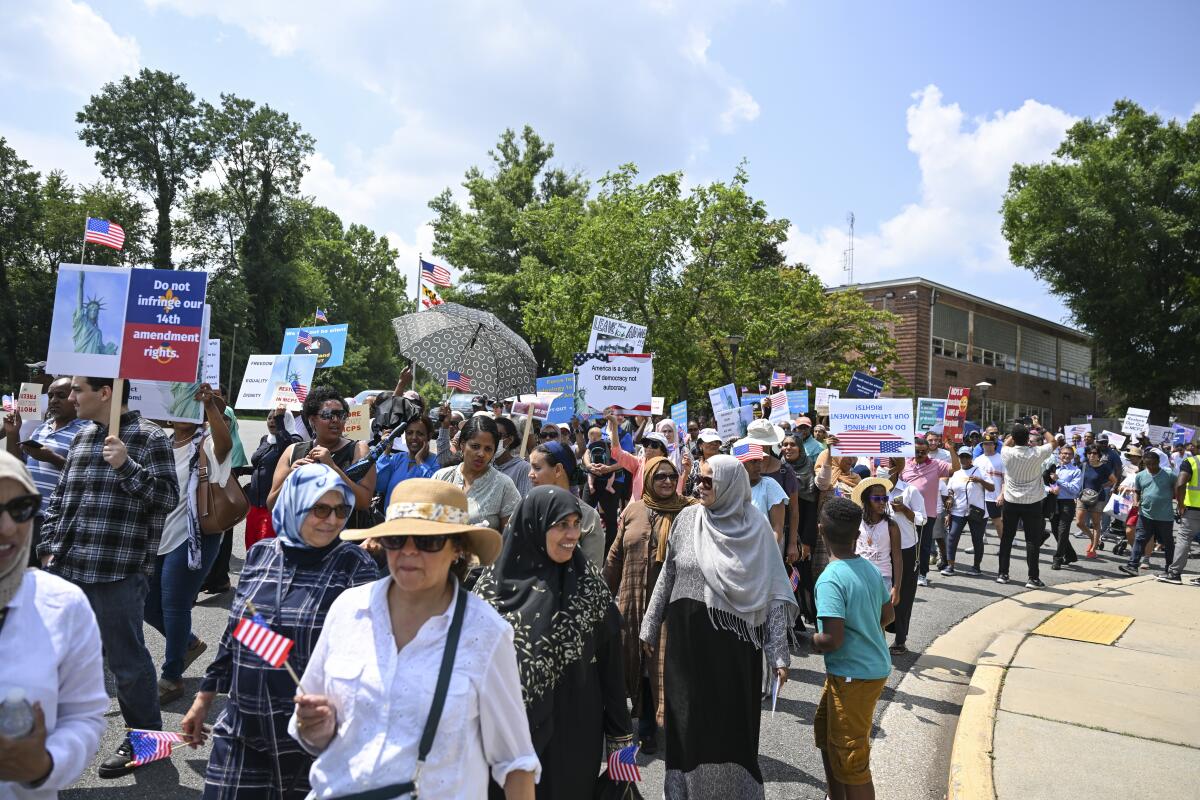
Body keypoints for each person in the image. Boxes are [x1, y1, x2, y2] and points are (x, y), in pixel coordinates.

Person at [289, 479, 537, 798]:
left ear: (457, 548)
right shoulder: (348, 609)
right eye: (396, 538)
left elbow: (516, 762)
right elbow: (314, 728)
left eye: (426, 541)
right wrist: (313, 726)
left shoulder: (485, 632)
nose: (408, 550)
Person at [181, 464, 379, 798]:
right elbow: (237, 633)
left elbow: (368, 655)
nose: (332, 520)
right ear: (295, 503)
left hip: (312, 738)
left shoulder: (355, 566)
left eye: (341, 510)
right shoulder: (261, 554)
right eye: (320, 509)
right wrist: (203, 700)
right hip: (243, 731)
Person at [36, 376, 179, 778]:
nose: (70, 397)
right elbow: (61, 498)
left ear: (106, 393)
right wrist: (48, 547)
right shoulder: (82, 437)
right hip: (66, 568)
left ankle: (146, 741)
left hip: (117, 570)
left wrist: (125, 464)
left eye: (78, 390)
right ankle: (39, 740)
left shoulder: (150, 438)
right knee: (53, 660)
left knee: (127, 662)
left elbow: (167, 497)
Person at [640, 455, 797, 799]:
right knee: (685, 725)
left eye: (709, 481)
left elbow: (772, 595)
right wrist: (649, 625)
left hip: (735, 654)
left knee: (730, 730)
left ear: (730, 484)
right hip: (687, 650)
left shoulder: (757, 529)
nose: (699, 486)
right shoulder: (687, 519)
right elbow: (669, 573)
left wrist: (778, 655)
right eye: (699, 478)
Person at [475, 486, 629, 798]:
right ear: (533, 525)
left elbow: (613, 677)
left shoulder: (590, 589)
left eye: (576, 524)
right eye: (561, 525)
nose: (572, 534)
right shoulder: (489, 594)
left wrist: (622, 763)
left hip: (573, 740)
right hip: (506, 742)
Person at [0, 451, 107, 796]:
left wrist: (44, 765)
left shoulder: (63, 605)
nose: (7, 528)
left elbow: (85, 718)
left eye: (21, 509)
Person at [143, 383, 233, 704]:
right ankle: (188, 644)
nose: (183, 411)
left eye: (189, 405)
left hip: (194, 538)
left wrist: (209, 406)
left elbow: (225, 443)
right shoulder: (162, 444)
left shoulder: (205, 442)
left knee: (174, 605)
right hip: (159, 537)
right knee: (147, 605)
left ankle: (171, 677)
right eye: (177, 405)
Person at [604, 456, 695, 754]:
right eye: (660, 477)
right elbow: (616, 556)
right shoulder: (634, 510)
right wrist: (604, 597)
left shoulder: (690, 511)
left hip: (673, 605)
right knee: (638, 666)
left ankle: (675, 722)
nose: (667, 481)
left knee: (668, 663)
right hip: (633, 603)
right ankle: (645, 724)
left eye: (671, 476)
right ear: (648, 479)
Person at [810, 496, 895, 800]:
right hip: (863, 671)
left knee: (851, 759)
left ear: (821, 530)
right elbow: (888, 616)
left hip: (853, 677)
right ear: (857, 535)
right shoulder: (870, 569)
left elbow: (832, 639)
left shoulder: (830, 579)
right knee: (827, 737)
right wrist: (865, 629)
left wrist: (808, 640)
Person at [3, 377, 88, 566]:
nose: (53, 400)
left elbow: (85, 475)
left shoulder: (86, 431)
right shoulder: (42, 429)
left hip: (56, 521)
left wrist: (51, 457)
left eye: (61, 395)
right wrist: (12, 434)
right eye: (50, 396)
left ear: (74, 398)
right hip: (28, 516)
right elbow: (20, 470)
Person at [268, 387, 375, 528]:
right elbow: (272, 505)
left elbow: (364, 502)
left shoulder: (359, 450)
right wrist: (291, 478)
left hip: (344, 542)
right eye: (327, 415)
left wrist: (332, 468)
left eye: (341, 415)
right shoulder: (293, 451)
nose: (335, 420)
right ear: (312, 419)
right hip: (303, 539)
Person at [433, 415, 521, 533]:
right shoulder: (442, 477)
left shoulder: (503, 485)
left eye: (488, 449)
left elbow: (510, 538)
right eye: (475, 446)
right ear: (462, 445)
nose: (481, 454)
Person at [997, 423, 1056, 588]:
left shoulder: (1006, 452)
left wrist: (1015, 431)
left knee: (1007, 539)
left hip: (1011, 502)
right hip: (1032, 502)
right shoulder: (1036, 453)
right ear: (1028, 439)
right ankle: (1033, 578)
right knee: (1032, 540)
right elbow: (1054, 442)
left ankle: (1003, 573)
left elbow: (1007, 442)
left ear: (1014, 438)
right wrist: (1040, 428)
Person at [528, 440, 605, 564]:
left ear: (558, 469)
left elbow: (592, 572)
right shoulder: (525, 510)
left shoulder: (588, 517)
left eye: (537, 468)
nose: (530, 474)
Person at [880, 457, 926, 656]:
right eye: (881, 464)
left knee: (903, 595)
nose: (884, 468)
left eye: (889, 464)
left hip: (906, 549)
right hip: (880, 550)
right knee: (878, 594)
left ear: (897, 468)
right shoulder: (873, 491)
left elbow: (922, 519)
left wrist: (906, 511)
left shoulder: (909, 490)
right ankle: (877, 635)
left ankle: (900, 639)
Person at [900, 438, 959, 588]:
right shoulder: (905, 463)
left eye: (923, 452)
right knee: (906, 544)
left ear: (928, 451)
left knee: (924, 546)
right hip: (905, 512)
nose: (920, 454)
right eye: (917, 451)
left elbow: (956, 468)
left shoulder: (936, 464)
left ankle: (922, 574)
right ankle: (906, 572)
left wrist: (952, 449)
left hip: (927, 513)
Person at [243, 407, 302, 549]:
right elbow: (261, 465)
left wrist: (280, 418)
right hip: (254, 505)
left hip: (273, 506)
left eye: (276, 418)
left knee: (266, 549)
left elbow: (286, 447)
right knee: (251, 545)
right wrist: (240, 470)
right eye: (270, 418)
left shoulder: (295, 441)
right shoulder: (265, 439)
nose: (272, 421)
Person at [1119, 449, 1177, 579]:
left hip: (1165, 517)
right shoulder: (1140, 476)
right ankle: (1132, 566)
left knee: (1167, 542)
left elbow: (1178, 488)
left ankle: (1170, 568)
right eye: (1147, 464)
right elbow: (1137, 491)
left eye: (1153, 464)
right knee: (1140, 539)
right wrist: (1136, 501)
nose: (1151, 467)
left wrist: (1180, 504)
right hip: (1145, 514)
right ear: (1144, 463)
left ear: (1158, 462)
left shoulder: (1169, 474)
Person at [942, 447, 994, 577]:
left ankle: (976, 567)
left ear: (971, 458)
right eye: (962, 457)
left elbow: (992, 488)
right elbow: (950, 492)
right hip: (958, 511)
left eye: (967, 457)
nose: (964, 459)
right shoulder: (956, 473)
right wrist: (948, 511)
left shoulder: (979, 471)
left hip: (976, 512)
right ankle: (950, 566)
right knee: (952, 537)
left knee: (977, 539)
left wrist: (980, 480)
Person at [373, 410, 440, 510]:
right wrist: (386, 451)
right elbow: (380, 486)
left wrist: (420, 462)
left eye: (420, 434)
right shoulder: (397, 459)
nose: (414, 437)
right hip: (391, 522)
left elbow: (433, 491)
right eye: (409, 433)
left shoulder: (436, 462)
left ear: (429, 436)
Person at [850, 477, 902, 597]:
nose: (882, 502)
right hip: (859, 576)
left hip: (882, 578)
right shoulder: (856, 522)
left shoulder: (891, 525)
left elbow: (897, 558)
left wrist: (896, 588)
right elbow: (851, 550)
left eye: (884, 498)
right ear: (866, 500)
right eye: (877, 498)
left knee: (880, 615)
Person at [736, 438, 789, 549]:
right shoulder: (731, 489)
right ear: (739, 464)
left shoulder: (769, 486)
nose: (758, 465)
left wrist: (762, 554)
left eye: (760, 460)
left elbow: (777, 528)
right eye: (753, 461)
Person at [1046, 446, 1083, 570]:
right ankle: (1071, 554)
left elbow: (1075, 489)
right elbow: (1044, 483)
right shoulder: (1053, 468)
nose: (1066, 456)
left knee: (1063, 531)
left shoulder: (1076, 471)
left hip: (1067, 503)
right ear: (1059, 455)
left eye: (1069, 454)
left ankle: (1058, 558)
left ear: (1072, 456)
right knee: (1056, 531)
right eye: (1064, 453)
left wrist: (1059, 480)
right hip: (1053, 502)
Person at [1077, 445, 1117, 559]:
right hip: (1083, 497)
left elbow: (1113, 480)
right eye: (1089, 453)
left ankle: (1093, 548)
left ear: (1099, 455)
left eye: (1094, 453)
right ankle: (1092, 538)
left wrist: (1102, 486)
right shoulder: (1083, 465)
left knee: (1095, 523)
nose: (1092, 455)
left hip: (1098, 498)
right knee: (1079, 522)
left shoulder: (1104, 467)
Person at [1167, 448, 1200, 584]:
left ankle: (1174, 574)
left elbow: (1180, 484)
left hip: (1193, 509)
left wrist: (1180, 504)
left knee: (1184, 539)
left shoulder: (1192, 461)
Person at [492, 416, 534, 498]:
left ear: (510, 439)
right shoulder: (487, 466)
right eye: (491, 434)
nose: (494, 439)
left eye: (498, 435)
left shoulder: (523, 468)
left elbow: (524, 503)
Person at [976, 433, 1005, 541]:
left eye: (990, 444)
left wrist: (1002, 495)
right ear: (982, 445)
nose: (987, 446)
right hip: (979, 497)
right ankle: (977, 546)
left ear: (995, 445)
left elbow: (1005, 480)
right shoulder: (978, 460)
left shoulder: (1001, 459)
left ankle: (1004, 547)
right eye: (985, 444)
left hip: (995, 497)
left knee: (998, 523)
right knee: (978, 524)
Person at [685, 427, 722, 497]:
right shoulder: (694, 466)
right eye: (710, 442)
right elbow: (687, 491)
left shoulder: (724, 464)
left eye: (716, 441)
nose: (714, 444)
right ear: (700, 445)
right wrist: (686, 473)